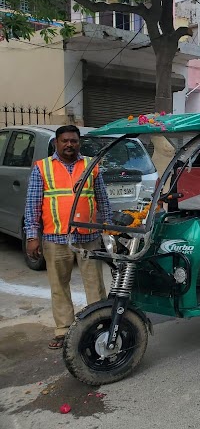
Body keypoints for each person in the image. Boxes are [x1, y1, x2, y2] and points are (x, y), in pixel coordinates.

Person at [24, 125, 111, 349]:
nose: (69, 144)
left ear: (79, 143)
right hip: (55, 237)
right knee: (59, 286)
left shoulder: (91, 165)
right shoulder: (42, 168)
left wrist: (109, 228)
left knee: (95, 284)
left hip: (88, 235)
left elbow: (103, 199)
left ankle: (99, 325)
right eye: (65, 141)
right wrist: (32, 236)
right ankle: (63, 330)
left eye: (73, 141)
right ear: (56, 143)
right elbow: (32, 205)